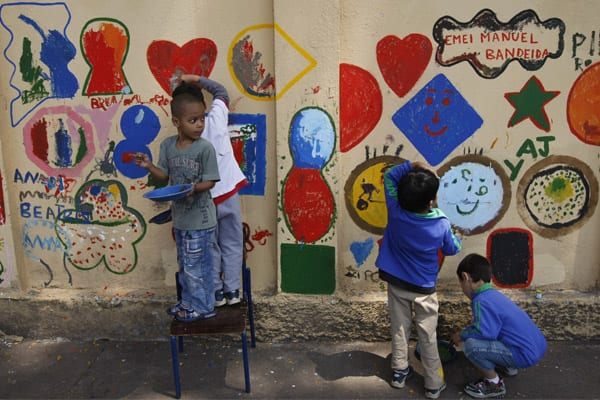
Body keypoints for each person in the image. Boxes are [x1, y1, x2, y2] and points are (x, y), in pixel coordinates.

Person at [375, 160, 462, 399]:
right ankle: (433, 383)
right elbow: (452, 248)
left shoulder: (395, 209)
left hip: (396, 282)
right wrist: (458, 236)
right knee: (427, 335)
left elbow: (391, 176)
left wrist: (414, 164)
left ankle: (399, 372)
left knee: (399, 329)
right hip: (424, 288)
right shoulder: (440, 223)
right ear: (431, 201)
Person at [136, 81, 220, 322]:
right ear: (176, 122)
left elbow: (211, 181)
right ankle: (187, 301)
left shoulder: (205, 149)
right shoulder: (167, 146)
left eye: (202, 119)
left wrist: (192, 189)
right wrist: (149, 166)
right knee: (185, 265)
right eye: (193, 120)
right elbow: (164, 177)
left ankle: (204, 307)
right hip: (181, 218)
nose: (199, 125)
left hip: (201, 220)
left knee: (198, 267)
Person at [179, 74, 248, 307]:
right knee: (231, 242)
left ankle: (216, 292)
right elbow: (221, 91)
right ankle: (233, 290)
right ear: (205, 105)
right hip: (228, 192)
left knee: (210, 246)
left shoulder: (183, 140)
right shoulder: (216, 118)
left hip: (204, 200)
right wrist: (196, 78)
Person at [450, 253, 547, 399]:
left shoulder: (480, 300)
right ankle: (509, 367)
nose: (462, 288)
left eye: (461, 283)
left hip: (523, 354)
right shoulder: (493, 295)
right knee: (496, 334)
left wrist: (460, 335)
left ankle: (493, 384)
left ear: (466, 277)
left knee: (470, 346)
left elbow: (483, 332)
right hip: (535, 347)